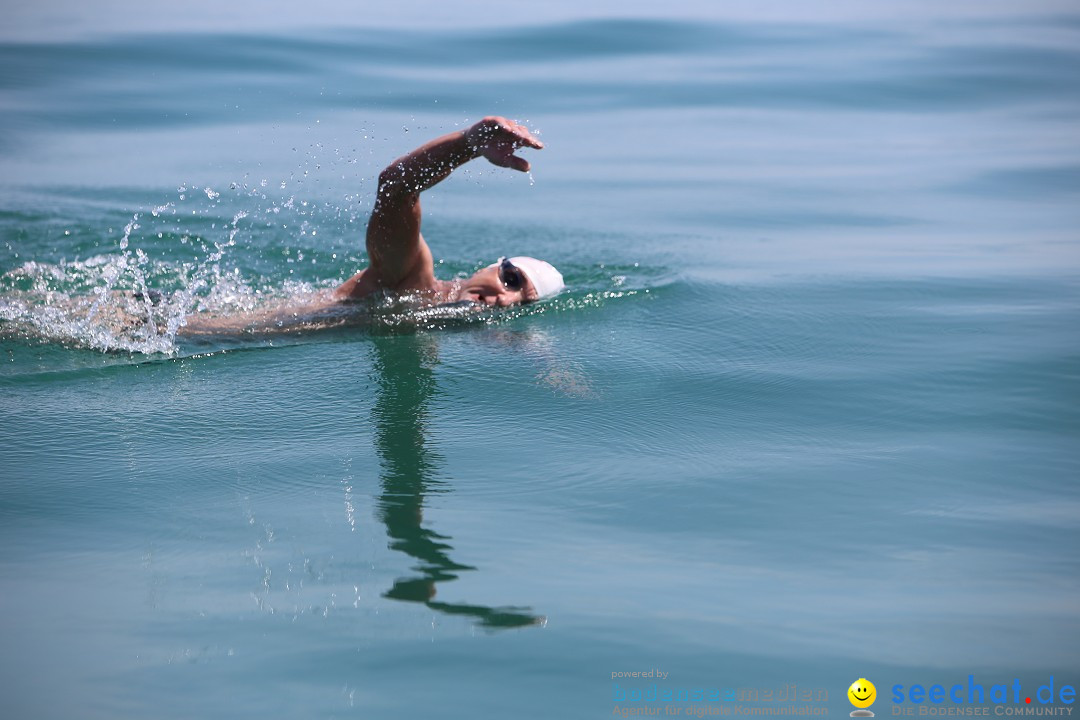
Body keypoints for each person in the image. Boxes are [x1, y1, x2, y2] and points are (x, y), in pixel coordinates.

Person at [333, 116, 564, 308]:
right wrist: (467, 145)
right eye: (511, 280)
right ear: (487, 268)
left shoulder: (439, 326)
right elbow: (396, 185)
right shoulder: (411, 278)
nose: (505, 299)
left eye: (521, 303)